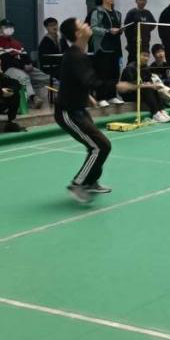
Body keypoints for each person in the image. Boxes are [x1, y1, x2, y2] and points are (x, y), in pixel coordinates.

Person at [56, 17, 113, 204]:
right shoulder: (75, 56)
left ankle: (90, 182)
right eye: (83, 24)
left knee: (98, 145)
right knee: (100, 146)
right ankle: (78, 184)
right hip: (68, 112)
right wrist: (117, 86)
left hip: (79, 108)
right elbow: (90, 81)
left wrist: (86, 95)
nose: (88, 25)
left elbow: (73, 79)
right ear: (78, 33)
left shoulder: (79, 53)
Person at [0, 19, 49, 109]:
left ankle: (33, 92)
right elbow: (5, 59)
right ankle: (33, 98)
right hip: (8, 69)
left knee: (44, 77)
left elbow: (25, 55)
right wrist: (23, 66)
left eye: (10, 27)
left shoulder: (16, 43)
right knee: (23, 77)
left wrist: (30, 64)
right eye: (6, 27)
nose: (9, 29)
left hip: (23, 67)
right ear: (0, 28)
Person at [89, 0, 124, 107]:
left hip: (116, 47)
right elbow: (93, 28)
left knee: (114, 74)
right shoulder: (97, 12)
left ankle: (112, 96)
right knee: (102, 74)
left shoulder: (117, 13)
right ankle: (101, 98)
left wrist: (120, 30)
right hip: (102, 48)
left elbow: (118, 28)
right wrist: (108, 31)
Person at [117, 55, 170, 123]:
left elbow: (149, 81)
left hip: (140, 92)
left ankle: (161, 111)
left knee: (153, 88)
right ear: (138, 55)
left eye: (147, 56)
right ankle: (155, 114)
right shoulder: (130, 68)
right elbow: (131, 86)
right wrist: (148, 85)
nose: (146, 58)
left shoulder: (146, 67)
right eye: (144, 55)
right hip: (129, 95)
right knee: (148, 88)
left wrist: (154, 85)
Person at [123, 0, 157, 64]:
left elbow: (153, 24)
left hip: (145, 43)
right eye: (140, 0)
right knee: (132, 62)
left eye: (144, 0)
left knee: (143, 62)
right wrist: (132, 39)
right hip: (134, 44)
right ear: (136, 1)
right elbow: (126, 27)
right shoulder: (132, 12)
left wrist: (145, 31)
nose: (142, 2)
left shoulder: (148, 13)